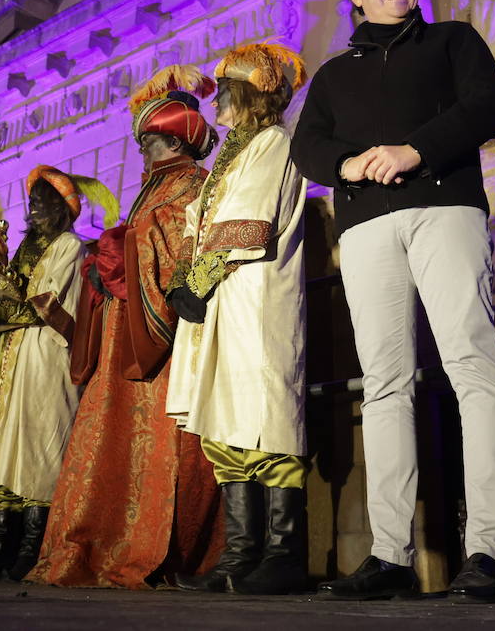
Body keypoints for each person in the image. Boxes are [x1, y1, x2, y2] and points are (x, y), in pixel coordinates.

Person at [290, 0, 495, 602]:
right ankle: (389, 556)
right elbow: (308, 146)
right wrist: (351, 165)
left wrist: (414, 149)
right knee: (384, 382)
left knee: (473, 365)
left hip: (445, 208)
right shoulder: (332, 77)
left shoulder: (453, 41)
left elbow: (488, 108)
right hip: (364, 228)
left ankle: (492, 552)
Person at [36, 66, 224, 589]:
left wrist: (121, 251)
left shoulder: (191, 185)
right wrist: (111, 256)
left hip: (163, 336)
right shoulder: (155, 186)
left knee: (162, 443)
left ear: (168, 143)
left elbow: (180, 248)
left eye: (148, 144)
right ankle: (100, 535)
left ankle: (154, 546)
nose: (142, 153)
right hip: (124, 323)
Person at [166, 44, 310, 596]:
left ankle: (283, 555)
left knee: (266, 415)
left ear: (253, 92)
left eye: (228, 86)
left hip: (254, 294)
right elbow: (201, 218)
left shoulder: (273, 142)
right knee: (227, 421)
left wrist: (193, 281)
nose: (219, 95)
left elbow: (248, 223)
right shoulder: (235, 149)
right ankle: (240, 554)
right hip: (222, 296)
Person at [0, 165, 116, 582]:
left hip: (42, 355)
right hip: (6, 350)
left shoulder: (68, 246)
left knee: (37, 448)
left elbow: (45, 305)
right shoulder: (23, 249)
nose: (35, 209)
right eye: (33, 202)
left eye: (44, 202)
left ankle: (32, 546)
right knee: (3, 446)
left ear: (63, 209)